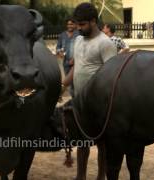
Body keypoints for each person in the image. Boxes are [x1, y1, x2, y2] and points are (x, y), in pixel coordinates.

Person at [61, 2, 117, 180]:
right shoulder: (78, 40)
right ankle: (81, 176)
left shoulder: (105, 43)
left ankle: (101, 176)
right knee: (81, 141)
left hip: (100, 104)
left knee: (102, 144)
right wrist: (62, 87)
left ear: (93, 21)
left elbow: (111, 75)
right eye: (77, 24)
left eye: (82, 24)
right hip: (79, 101)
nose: (78, 28)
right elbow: (76, 67)